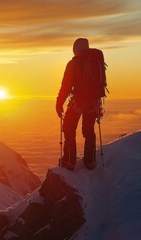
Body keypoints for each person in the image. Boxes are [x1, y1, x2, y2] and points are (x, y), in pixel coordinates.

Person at [56, 38, 107, 170]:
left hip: (78, 101)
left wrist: (59, 102)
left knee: (68, 128)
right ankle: (90, 161)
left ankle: (69, 161)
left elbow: (66, 86)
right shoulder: (96, 61)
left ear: (76, 49)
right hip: (93, 102)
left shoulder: (73, 64)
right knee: (89, 131)